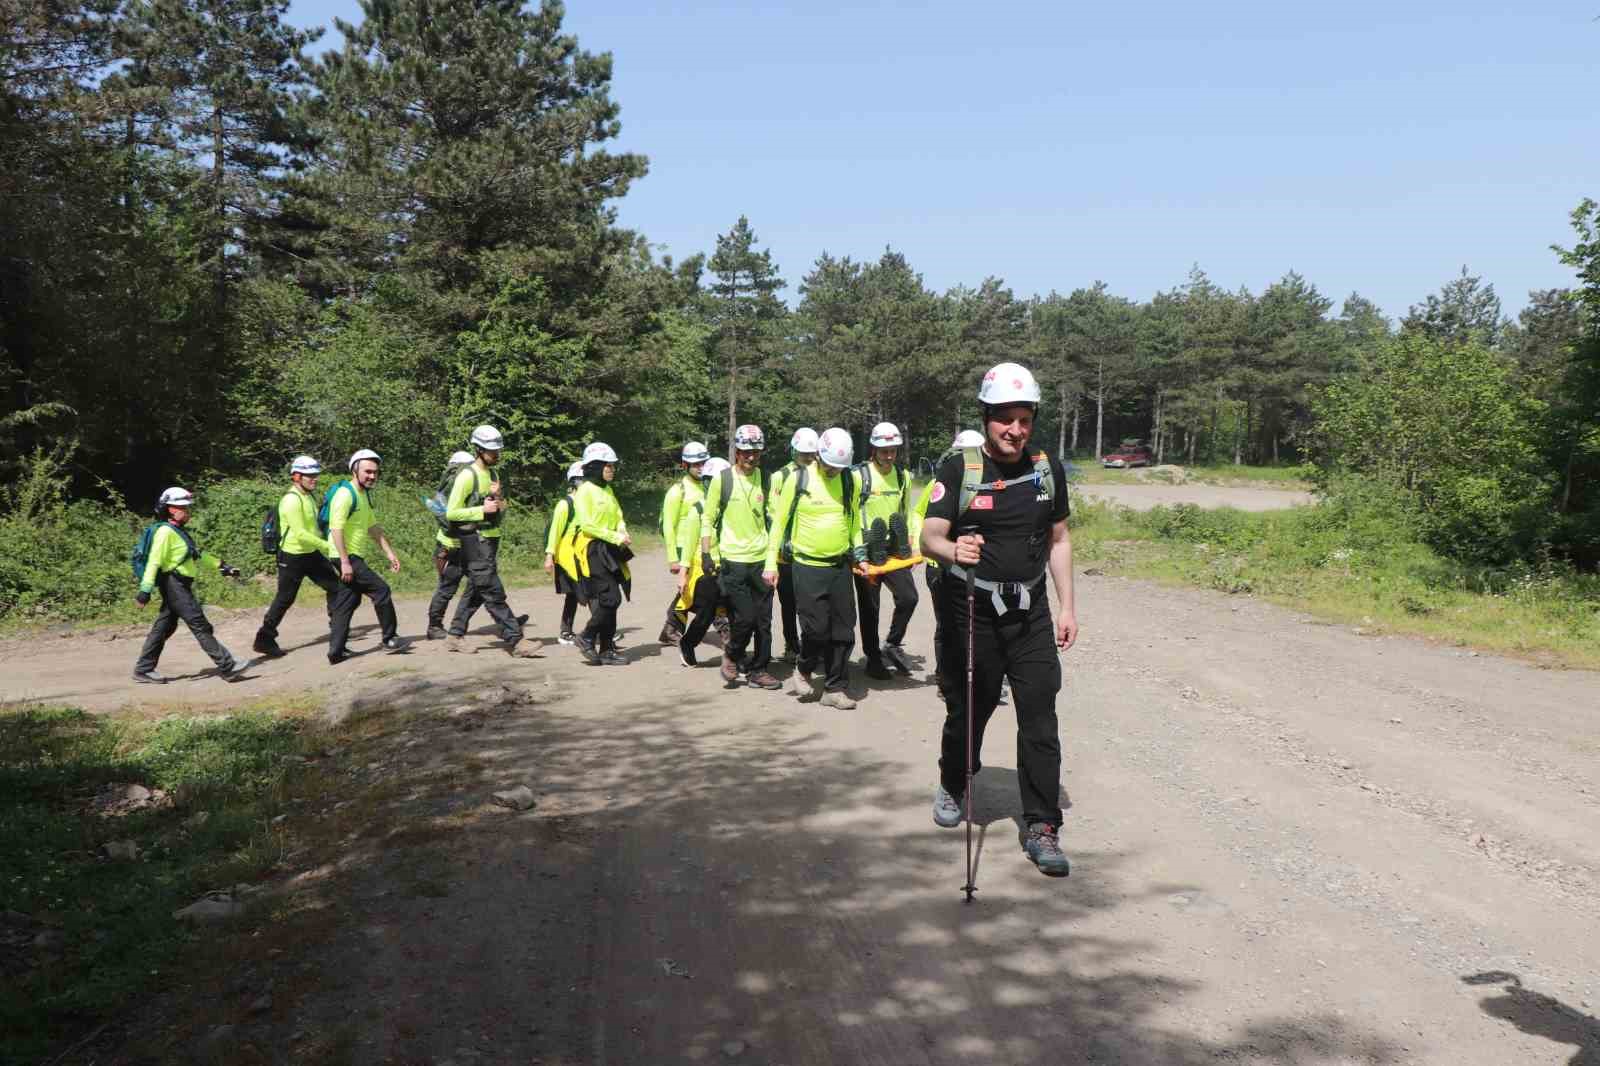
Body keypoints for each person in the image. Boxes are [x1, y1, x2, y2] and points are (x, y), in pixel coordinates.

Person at [919, 363, 1078, 877]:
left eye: (1025, 420)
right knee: (971, 708)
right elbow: (930, 537)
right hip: (973, 612)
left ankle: (1042, 825)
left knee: (1040, 716)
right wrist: (954, 549)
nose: (1015, 430)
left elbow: (1059, 540)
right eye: (1005, 419)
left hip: (1031, 613)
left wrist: (1067, 606)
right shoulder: (960, 470)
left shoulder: (1047, 470)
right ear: (986, 418)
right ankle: (954, 780)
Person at [764, 428, 864, 709]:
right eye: (830, 465)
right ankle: (804, 667)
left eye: (839, 467)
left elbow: (854, 520)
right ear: (818, 456)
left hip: (840, 565)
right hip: (807, 566)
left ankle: (835, 688)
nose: (834, 471)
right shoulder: (798, 479)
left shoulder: (850, 480)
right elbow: (779, 524)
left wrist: (860, 553)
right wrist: (771, 563)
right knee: (816, 629)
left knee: (844, 630)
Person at [442, 425, 540, 658]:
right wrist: (481, 510)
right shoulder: (467, 476)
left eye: (498, 450)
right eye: (491, 450)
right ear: (478, 449)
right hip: (474, 541)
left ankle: (454, 635)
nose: (496, 454)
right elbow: (451, 512)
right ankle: (516, 640)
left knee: (476, 590)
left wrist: (498, 498)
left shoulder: (494, 475)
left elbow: (500, 508)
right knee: (492, 591)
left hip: (490, 539)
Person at [133, 487, 242, 682]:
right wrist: (145, 591)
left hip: (179, 584)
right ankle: (228, 666)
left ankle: (143, 669)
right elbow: (154, 562)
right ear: (170, 509)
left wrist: (222, 566)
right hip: (174, 585)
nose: (187, 511)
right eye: (183, 508)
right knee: (199, 623)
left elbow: (196, 553)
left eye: (187, 507)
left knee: (164, 627)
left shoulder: (177, 531)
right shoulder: (165, 533)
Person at [700, 424, 780, 690]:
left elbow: (775, 519)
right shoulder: (722, 480)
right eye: (746, 452)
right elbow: (708, 518)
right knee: (744, 618)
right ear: (737, 451)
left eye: (756, 452)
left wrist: (773, 558)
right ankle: (733, 654)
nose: (751, 457)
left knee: (764, 622)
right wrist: (706, 553)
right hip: (733, 561)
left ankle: (759, 669)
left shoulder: (767, 479)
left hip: (761, 561)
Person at [911, 429, 985, 699]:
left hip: (975, 567)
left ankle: (977, 676)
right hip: (940, 566)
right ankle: (947, 680)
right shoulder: (938, 484)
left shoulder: (987, 484)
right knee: (948, 625)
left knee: (978, 624)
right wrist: (920, 544)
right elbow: (918, 514)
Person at [325, 449, 408, 664]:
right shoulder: (345, 494)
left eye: (375, 472)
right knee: (381, 590)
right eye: (367, 471)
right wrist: (345, 562)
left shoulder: (362, 495)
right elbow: (335, 528)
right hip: (346, 556)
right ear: (355, 471)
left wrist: (390, 553)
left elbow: (373, 528)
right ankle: (389, 639)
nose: (372, 476)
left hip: (349, 557)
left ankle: (336, 652)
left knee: (348, 601)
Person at [253, 455, 340, 658]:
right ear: (297, 476)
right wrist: (329, 546)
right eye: (310, 476)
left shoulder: (308, 496)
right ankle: (264, 639)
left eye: (316, 475)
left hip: (310, 553)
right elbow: (300, 533)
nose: (314, 479)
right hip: (291, 557)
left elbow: (313, 528)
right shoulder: (291, 500)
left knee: (336, 587)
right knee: (285, 598)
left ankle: (338, 629)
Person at [854, 421, 919, 680]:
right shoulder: (859, 475)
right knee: (870, 609)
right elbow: (850, 513)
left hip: (893, 551)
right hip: (867, 552)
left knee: (909, 597)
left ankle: (892, 644)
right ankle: (873, 658)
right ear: (874, 449)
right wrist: (857, 551)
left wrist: (911, 541)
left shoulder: (903, 476)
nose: (889, 455)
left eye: (893, 450)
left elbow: (906, 511)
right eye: (884, 451)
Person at [570, 441, 632, 665]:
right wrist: (615, 536)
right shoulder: (585, 491)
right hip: (593, 549)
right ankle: (586, 636)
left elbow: (618, 515)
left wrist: (622, 530)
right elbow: (587, 526)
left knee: (612, 600)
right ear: (595, 466)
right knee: (610, 598)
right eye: (608, 466)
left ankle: (606, 649)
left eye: (613, 466)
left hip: (610, 548)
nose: (612, 469)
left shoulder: (608, 490)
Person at [768, 428, 819, 663]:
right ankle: (791, 644)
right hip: (786, 553)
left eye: (811, 453)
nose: (808, 458)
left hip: (810, 549)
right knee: (788, 602)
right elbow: (774, 512)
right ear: (793, 451)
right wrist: (782, 543)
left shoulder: (819, 474)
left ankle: (812, 645)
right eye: (803, 453)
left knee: (810, 603)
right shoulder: (780, 476)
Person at [675, 456, 730, 667]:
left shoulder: (731, 508)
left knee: (737, 612)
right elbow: (688, 546)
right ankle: (688, 643)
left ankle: (734, 655)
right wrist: (682, 574)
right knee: (706, 614)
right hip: (705, 571)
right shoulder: (697, 510)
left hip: (731, 567)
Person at [658, 441, 711, 644]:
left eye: (703, 463)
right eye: (695, 464)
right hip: (683, 549)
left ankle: (670, 628)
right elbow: (668, 526)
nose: (700, 467)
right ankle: (672, 627)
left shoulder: (708, 487)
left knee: (692, 588)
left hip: (701, 547)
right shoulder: (677, 491)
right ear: (685, 465)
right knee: (692, 588)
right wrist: (673, 558)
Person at [425, 450, 476, 640]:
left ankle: (507, 622)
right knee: (447, 588)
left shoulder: (447, 489)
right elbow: (451, 522)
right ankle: (434, 627)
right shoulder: (451, 489)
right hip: (450, 548)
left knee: (485, 583)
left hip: (461, 546)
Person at [544, 461, 585, 645]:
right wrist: (549, 556)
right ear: (575, 481)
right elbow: (554, 532)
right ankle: (567, 632)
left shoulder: (587, 503)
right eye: (583, 479)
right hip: (567, 559)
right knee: (577, 594)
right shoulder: (565, 504)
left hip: (583, 557)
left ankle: (598, 630)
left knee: (580, 594)